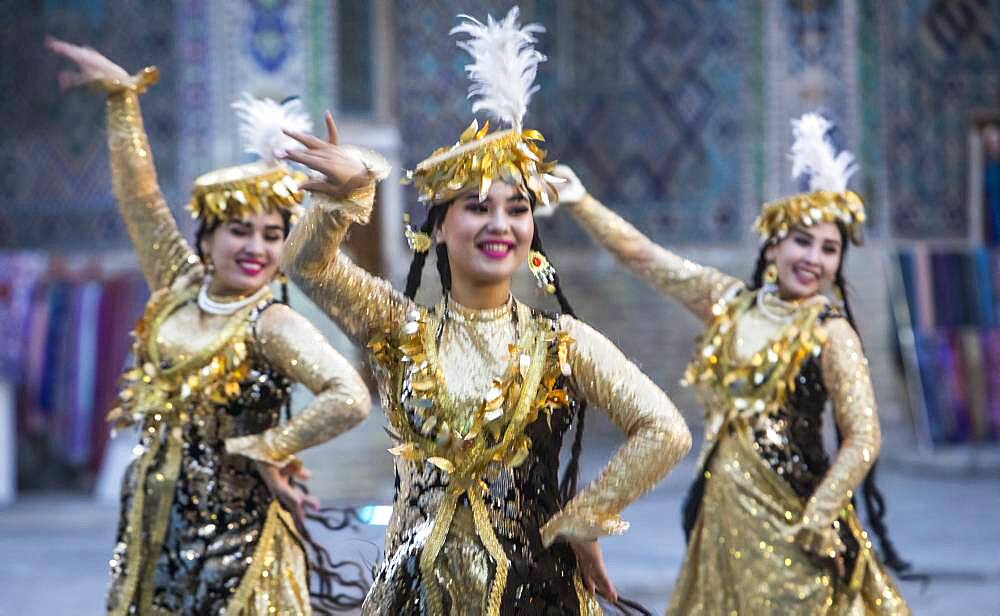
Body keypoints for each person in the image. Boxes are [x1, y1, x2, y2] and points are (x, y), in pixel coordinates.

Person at [276, 8, 692, 615]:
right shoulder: (398, 327)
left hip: (535, 593)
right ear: (439, 229)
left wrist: (584, 517)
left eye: (517, 208)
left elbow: (666, 431)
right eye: (476, 206)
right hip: (416, 594)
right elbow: (307, 265)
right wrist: (348, 196)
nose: (500, 223)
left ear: (531, 230)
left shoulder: (561, 342)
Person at [47, 37, 372, 615]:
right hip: (156, 524)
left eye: (272, 235)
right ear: (205, 238)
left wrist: (267, 448)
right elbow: (142, 201)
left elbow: (349, 396)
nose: (256, 248)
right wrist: (124, 103)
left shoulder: (270, 322)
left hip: (241, 543)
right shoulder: (177, 285)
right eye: (239, 231)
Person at [554, 114, 911, 614]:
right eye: (803, 242)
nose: (814, 258)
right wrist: (582, 203)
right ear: (774, 247)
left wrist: (821, 513)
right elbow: (645, 257)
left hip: (792, 514)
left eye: (830, 249)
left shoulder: (833, 335)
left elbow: (864, 436)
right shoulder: (730, 302)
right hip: (721, 511)